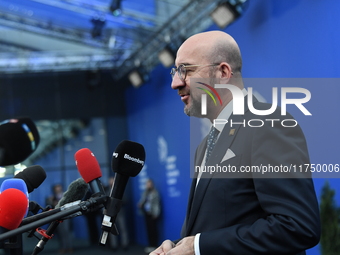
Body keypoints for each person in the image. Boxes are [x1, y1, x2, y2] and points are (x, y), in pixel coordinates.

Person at [150, 31, 320, 255]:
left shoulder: (269, 124)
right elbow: (215, 225)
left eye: (186, 70)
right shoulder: (204, 147)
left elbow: (298, 226)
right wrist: (179, 245)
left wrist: (198, 246)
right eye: (175, 71)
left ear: (222, 72)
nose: (175, 83)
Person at [46, 184, 74, 254]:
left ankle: (69, 247)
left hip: (66, 216)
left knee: (67, 232)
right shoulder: (52, 197)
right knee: (61, 233)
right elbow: (49, 206)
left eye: (59, 187)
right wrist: (51, 201)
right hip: (58, 217)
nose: (58, 188)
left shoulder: (66, 195)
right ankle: (63, 247)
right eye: (56, 187)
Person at [138, 179, 161, 254]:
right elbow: (142, 201)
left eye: (149, 184)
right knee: (148, 230)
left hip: (152, 214)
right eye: (147, 184)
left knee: (153, 230)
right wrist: (140, 205)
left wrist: (156, 213)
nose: (148, 185)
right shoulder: (145, 193)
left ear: (152, 184)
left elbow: (157, 204)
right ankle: (150, 245)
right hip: (146, 213)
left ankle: (154, 246)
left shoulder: (155, 192)